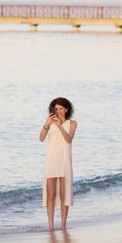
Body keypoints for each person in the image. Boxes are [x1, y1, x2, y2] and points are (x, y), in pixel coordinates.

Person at [40, 97, 77, 230]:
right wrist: (47, 123)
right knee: (51, 194)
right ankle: (50, 225)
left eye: (61, 109)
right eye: (56, 109)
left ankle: (63, 225)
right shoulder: (50, 123)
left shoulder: (72, 123)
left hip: (64, 160)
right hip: (51, 160)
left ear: (66, 110)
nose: (59, 111)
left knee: (63, 194)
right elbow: (41, 138)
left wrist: (59, 125)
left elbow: (68, 139)